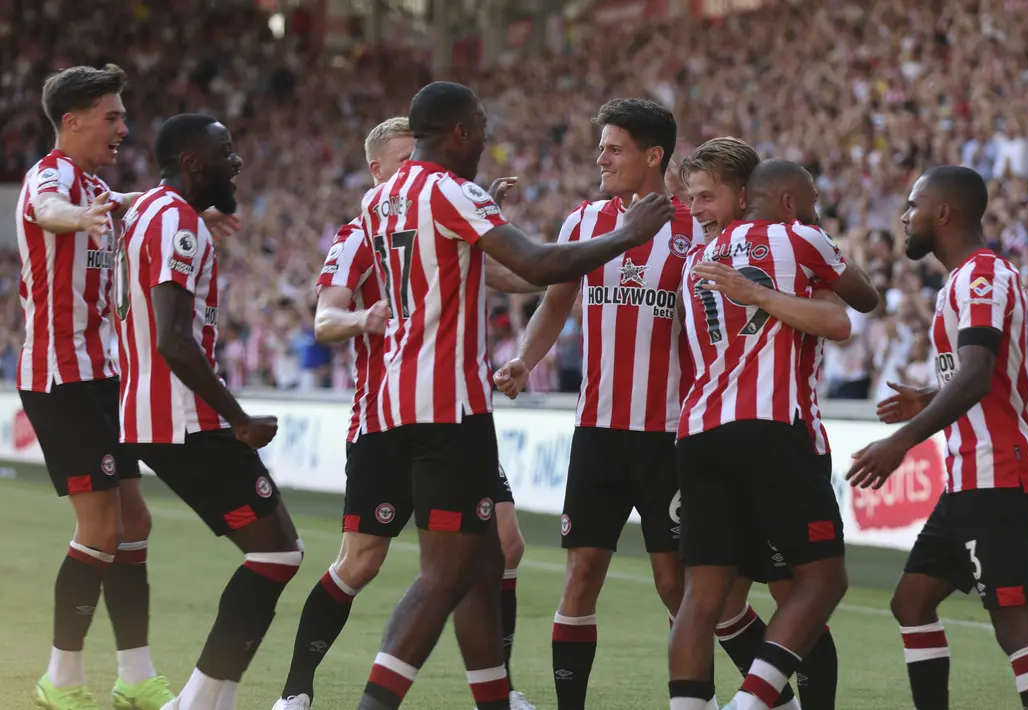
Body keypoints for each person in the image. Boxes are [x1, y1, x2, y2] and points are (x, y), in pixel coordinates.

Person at [353, 82, 673, 710]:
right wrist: (626, 234)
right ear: (461, 133)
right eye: (483, 129)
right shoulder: (451, 191)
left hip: (399, 397)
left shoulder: (381, 199)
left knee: (482, 568)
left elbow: (468, 265)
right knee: (446, 575)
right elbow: (535, 266)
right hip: (448, 403)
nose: (488, 142)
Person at [273, 117, 541, 710]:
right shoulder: (360, 232)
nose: (419, 171)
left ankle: (500, 688)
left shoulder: (437, 210)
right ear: (376, 170)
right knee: (361, 562)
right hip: (383, 419)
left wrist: (483, 229)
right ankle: (295, 691)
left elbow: (506, 275)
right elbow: (324, 319)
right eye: (403, 160)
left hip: (451, 411)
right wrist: (362, 320)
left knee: (505, 544)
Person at [492, 97, 733, 710]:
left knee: (673, 583)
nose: (600, 156)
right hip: (597, 430)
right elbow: (555, 299)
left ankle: (697, 701)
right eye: (601, 146)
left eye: (614, 147)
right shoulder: (584, 222)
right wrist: (526, 359)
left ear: (653, 156)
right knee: (582, 573)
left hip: (671, 435)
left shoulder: (695, 232)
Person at [847, 165, 1028, 710]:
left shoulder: (982, 276)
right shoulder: (959, 280)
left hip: (998, 474)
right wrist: (929, 393)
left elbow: (976, 373)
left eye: (913, 205)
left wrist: (901, 442)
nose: (904, 216)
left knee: (1016, 626)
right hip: (969, 476)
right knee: (911, 601)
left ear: (944, 212)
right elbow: (969, 373)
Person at [679, 137, 878, 710]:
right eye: (811, 199)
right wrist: (789, 286)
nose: (817, 210)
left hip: (699, 431)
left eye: (704, 197)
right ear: (788, 201)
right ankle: (753, 704)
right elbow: (858, 305)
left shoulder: (699, 260)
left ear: (737, 198)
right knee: (815, 588)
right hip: (779, 432)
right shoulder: (800, 237)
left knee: (709, 601)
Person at [114, 113, 304, 710]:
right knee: (278, 553)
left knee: (276, 552)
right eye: (226, 151)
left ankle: (211, 701)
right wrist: (238, 417)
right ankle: (196, 703)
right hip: (184, 417)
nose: (237, 161)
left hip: (152, 414)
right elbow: (174, 337)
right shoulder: (176, 221)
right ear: (193, 161)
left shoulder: (148, 211)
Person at [16, 63, 175, 710]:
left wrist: (189, 211)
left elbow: (118, 206)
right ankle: (61, 677)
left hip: (104, 376)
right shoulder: (53, 178)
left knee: (134, 520)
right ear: (73, 120)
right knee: (101, 528)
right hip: (64, 378)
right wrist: (73, 218)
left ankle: (135, 678)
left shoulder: (92, 186)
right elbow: (47, 208)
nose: (123, 128)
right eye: (111, 116)